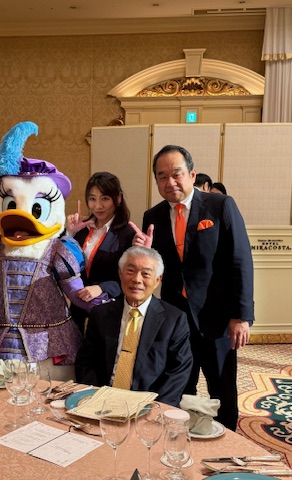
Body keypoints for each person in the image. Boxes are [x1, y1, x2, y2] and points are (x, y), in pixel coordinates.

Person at [130, 144, 254, 430]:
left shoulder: (220, 206)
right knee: (179, 385)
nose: (170, 182)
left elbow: (240, 261)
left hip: (217, 318)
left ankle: (226, 441)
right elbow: (156, 270)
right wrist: (146, 253)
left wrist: (241, 316)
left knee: (222, 388)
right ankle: (181, 439)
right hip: (175, 319)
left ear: (192, 174)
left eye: (176, 174)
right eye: (162, 177)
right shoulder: (153, 216)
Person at [75, 246, 192, 407]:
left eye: (146, 274)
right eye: (130, 271)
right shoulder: (100, 314)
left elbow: (179, 371)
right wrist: (94, 396)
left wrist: (153, 407)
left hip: (150, 403)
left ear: (157, 280)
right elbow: (86, 361)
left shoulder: (174, 319)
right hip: (102, 398)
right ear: (120, 274)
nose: (137, 279)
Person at [66, 172, 136, 334]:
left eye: (104, 198)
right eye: (92, 199)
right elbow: (61, 263)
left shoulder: (128, 234)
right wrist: (69, 234)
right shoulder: (81, 229)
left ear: (118, 198)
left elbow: (130, 278)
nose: (98, 206)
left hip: (109, 308)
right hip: (77, 308)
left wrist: (101, 287)